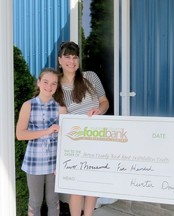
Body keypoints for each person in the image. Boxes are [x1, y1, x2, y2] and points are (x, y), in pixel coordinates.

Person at [54, 41, 109, 216]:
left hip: (96, 137)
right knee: (76, 186)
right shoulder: (56, 86)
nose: (72, 61)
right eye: (67, 57)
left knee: (92, 183)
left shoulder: (90, 77)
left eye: (75, 57)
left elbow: (104, 101)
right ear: (60, 60)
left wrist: (100, 111)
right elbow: (58, 117)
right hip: (74, 141)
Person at [16, 68, 67, 216]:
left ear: (57, 86)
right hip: (34, 161)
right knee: (35, 202)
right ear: (38, 83)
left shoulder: (61, 108)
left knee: (53, 200)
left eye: (53, 83)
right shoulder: (28, 105)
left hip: (54, 162)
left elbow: (65, 139)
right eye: (45, 82)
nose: (49, 87)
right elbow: (20, 134)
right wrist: (47, 131)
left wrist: (62, 162)